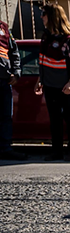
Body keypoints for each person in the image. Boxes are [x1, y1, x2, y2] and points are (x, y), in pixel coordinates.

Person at [34, 5, 70, 162]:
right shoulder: (46, 37)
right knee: (54, 119)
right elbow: (43, 61)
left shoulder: (69, 39)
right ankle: (56, 151)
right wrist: (40, 80)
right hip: (49, 85)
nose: (42, 17)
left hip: (66, 86)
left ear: (53, 17)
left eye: (44, 14)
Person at [0, 18, 26, 160]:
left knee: (6, 116)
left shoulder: (4, 29)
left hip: (4, 80)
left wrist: (16, 72)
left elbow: (14, 53)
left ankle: (5, 148)